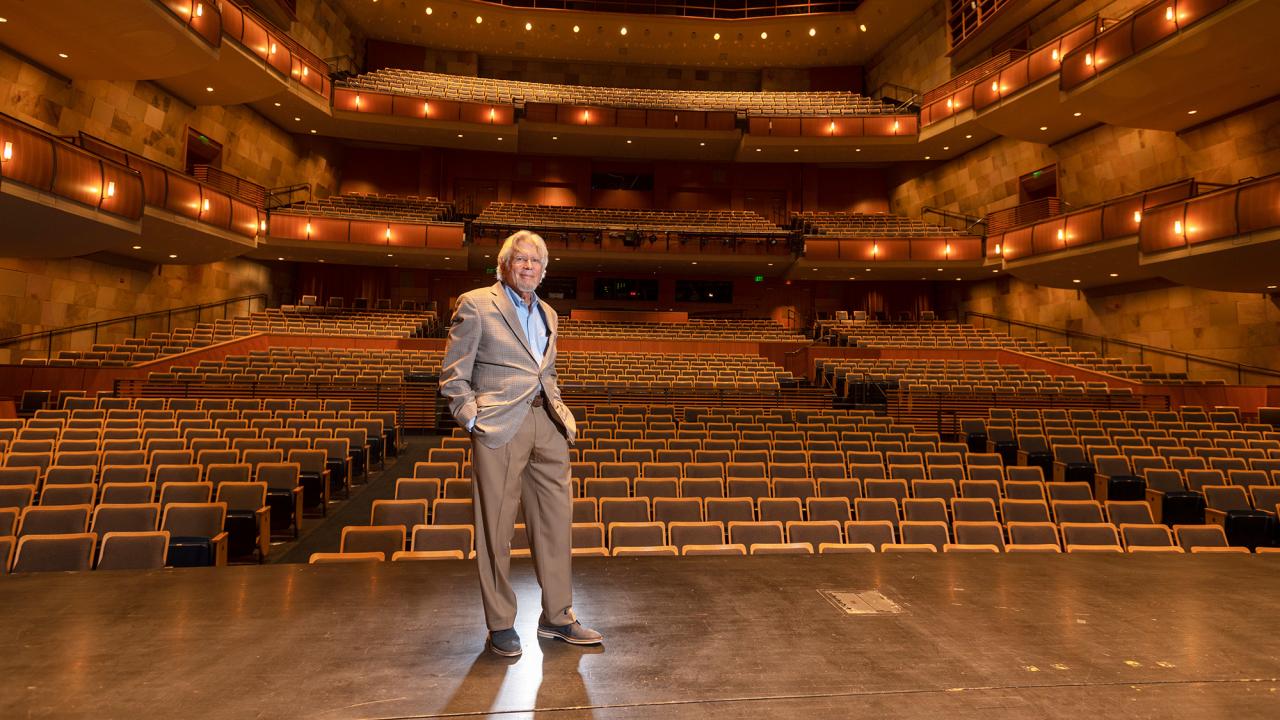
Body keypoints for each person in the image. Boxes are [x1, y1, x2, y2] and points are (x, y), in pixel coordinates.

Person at [439, 230, 603, 658]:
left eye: (536, 261)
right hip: (498, 426)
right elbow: (453, 374)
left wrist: (559, 409)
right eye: (521, 260)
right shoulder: (476, 303)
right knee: (495, 527)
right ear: (504, 265)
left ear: (544, 271)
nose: (528, 266)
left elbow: (545, 372)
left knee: (555, 522)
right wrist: (472, 418)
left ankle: (558, 617)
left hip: (545, 422)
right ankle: (499, 624)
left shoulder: (549, 312)